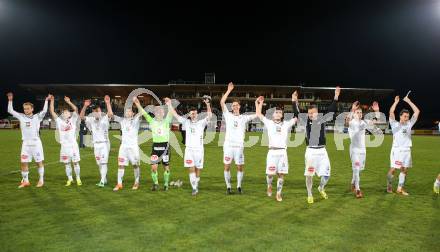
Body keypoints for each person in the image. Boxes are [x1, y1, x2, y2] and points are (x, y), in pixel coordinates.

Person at [293, 87, 341, 204]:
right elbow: (296, 112)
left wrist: (336, 96)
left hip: (322, 151)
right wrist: (294, 101)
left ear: (317, 112)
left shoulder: (322, 119)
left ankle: (321, 188)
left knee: (327, 175)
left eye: (313, 113)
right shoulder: (305, 121)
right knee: (309, 175)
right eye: (309, 113)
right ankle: (309, 194)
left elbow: (332, 109)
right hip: (311, 151)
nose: (311, 115)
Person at [165, 97, 212, 196]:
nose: (193, 114)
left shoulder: (201, 123)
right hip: (189, 150)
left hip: (199, 150)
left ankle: (196, 184)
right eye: (191, 113)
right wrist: (169, 104)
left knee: (197, 169)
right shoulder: (186, 122)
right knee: (191, 168)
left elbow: (209, 116)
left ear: (197, 114)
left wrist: (207, 104)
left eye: (195, 113)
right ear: (189, 114)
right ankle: (194, 188)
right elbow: (176, 115)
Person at [255, 95, 297, 202]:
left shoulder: (286, 124)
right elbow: (259, 114)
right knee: (270, 174)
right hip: (272, 152)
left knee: (281, 174)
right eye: (276, 112)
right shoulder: (269, 123)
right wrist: (259, 103)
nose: (278, 114)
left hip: (282, 152)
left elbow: (297, 116)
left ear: (282, 115)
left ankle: (278, 193)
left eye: (280, 113)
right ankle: (269, 185)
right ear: (273, 115)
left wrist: (294, 101)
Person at [220, 82, 257, 194]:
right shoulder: (228, 115)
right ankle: (228, 187)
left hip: (239, 146)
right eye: (233, 105)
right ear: (232, 107)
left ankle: (239, 186)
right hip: (228, 146)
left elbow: (257, 114)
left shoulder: (243, 118)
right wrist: (228, 90)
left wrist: (257, 103)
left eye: (237, 105)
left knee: (240, 167)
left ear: (240, 107)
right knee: (226, 167)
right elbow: (222, 102)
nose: (235, 106)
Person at [7, 92, 50, 188]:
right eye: (25, 109)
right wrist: (10, 100)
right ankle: (26, 181)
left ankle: (41, 180)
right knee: (23, 162)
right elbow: (10, 110)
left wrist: (46, 100)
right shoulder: (21, 116)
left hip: (35, 143)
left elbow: (44, 110)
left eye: (28, 108)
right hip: (25, 143)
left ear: (32, 109)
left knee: (39, 162)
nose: (26, 110)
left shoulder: (37, 117)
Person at [134, 96, 173, 191]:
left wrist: (169, 103)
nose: (159, 113)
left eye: (161, 112)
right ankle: (155, 184)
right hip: (155, 147)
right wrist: (137, 103)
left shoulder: (167, 120)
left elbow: (171, 112)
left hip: (165, 148)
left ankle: (166, 184)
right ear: (155, 113)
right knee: (153, 168)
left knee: (166, 167)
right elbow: (143, 112)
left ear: (163, 113)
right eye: (157, 112)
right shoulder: (152, 121)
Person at [345, 100, 380, 198]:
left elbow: (375, 121)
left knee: (360, 170)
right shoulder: (351, 122)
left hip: (362, 150)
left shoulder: (364, 122)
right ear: (354, 114)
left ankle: (353, 183)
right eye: (357, 112)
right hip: (354, 150)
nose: (359, 114)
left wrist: (377, 111)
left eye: (360, 113)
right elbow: (347, 122)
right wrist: (352, 109)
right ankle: (358, 189)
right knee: (356, 169)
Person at [386, 94, 420, 196]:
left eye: (407, 117)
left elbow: (417, 111)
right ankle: (389, 185)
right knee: (393, 169)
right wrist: (396, 102)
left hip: (407, 150)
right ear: (400, 116)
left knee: (404, 170)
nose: (406, 118)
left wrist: (408, 101)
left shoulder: (409, 124)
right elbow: (391, 112)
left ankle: (400, 188)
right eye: (405, 116)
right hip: (397, 150)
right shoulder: (394, 124)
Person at [49, 96, 82, 186]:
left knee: (75, 163)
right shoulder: (59, 121)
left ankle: (78, 178)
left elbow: (76, 109)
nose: (65, 113)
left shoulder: (73, 120)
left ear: (69, 114)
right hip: (64, 146)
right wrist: (52, 101)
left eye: (67, 112)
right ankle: (70, 179)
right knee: (67, 164)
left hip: (73, 145)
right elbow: (52, 111)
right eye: (63, 112)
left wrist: (69, 101)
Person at [80, 96, 112, 187]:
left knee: (103, 162)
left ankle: (102, 181)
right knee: (99, 163)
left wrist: (108, 103)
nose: (95, 112)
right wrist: (85, 106)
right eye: (94, 111)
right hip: (95, 145)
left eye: (97, 111)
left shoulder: (105, 118)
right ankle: (104, 179)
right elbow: (81, 117)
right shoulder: (91, 120)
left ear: (100, 111)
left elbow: (110, 114)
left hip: (104, 144)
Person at [110, 100, 142, 191]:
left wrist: (137, 103)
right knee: (120, 165)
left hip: (133, 147)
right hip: (123, 147)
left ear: (132, 113)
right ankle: (119, 184)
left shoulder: (136, 120)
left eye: (129, 111)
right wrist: (108, 103)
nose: (127, 112)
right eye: (126, 111)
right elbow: (111, 115)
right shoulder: (122, 120)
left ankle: (136, 182)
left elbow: (141, 112)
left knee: (135, 165)